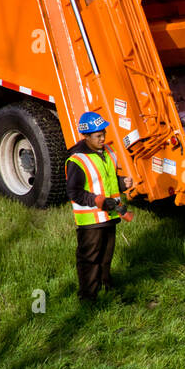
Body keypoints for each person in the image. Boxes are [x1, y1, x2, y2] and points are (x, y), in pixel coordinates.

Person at [65, 111, 133, 303]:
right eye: (98, 135)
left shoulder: (108, 152)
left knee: (106, 255)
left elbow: (106, 180)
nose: (102, 138)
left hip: (109, 216)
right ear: (86, 136)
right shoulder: (77, 159)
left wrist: (122, 183)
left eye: (103, 133)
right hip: (91, 220)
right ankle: (88, 297)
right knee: (89, 259)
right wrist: (98, 201)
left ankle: (106, 287)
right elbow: (74, 192)